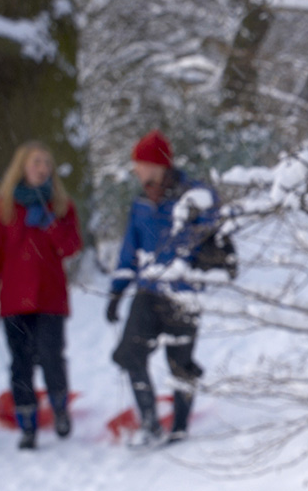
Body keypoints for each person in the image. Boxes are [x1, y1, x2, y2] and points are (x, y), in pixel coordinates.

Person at [106, 130, 220, 446]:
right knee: (130, 355)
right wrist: (117, 290)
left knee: (180, 364)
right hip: (148, 292)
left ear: (156, 165)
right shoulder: (140, 204)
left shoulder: (193, 197)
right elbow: (130, 249)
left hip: (185, 294)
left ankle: (180, 427)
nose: (136, 171)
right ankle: (150, 423)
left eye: (139, 164)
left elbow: (215, 231)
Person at [0, 141, 83, 450]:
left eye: (46, 163)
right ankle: (27, 424)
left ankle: (60, 409)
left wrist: (52, 227)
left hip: (50, 297)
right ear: (22, 167)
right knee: (20, 363)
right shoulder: (4, 208)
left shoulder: (61, 206)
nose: (42, 168)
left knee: (52, 357)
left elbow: (71, 247)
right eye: (36, 162)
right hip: (14, 300)